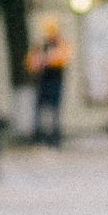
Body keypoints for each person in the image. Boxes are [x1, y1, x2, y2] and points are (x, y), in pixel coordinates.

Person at [28, 19, 72, 147]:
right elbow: (31, 64)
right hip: (42, 82)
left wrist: (45, 58)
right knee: (39, 111)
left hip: (55, 81)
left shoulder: (61, 44)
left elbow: (62, 58)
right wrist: (43, 58)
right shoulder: (39, 46)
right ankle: (39, 137)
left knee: (55, 111)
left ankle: (54, 138)